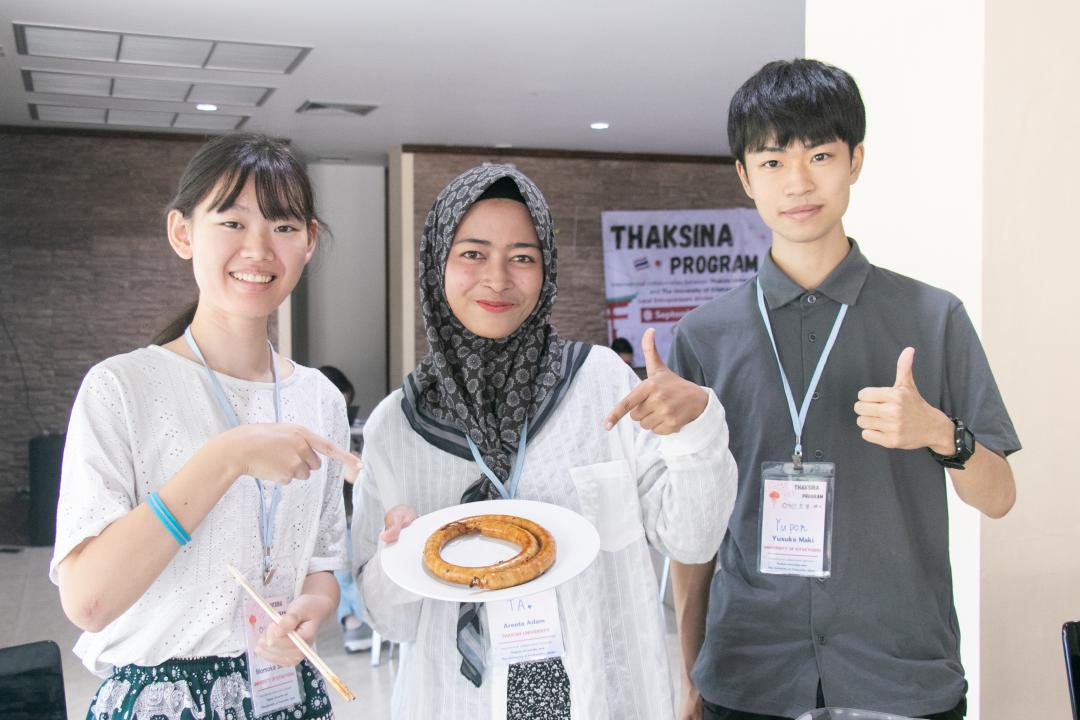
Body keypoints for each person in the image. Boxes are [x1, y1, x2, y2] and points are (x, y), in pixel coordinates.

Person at [668, 59, 1020, 720]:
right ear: (745, 177)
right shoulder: (703, 337)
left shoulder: (933, 317)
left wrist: (940, 434)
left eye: (821, 155)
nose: (798, 182)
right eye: (773, 162)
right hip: (749, 676)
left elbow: (999, 496)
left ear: (856, 160)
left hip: (900, 674)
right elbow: (695, 529)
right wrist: (689, 671)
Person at [351, 165, 738, 719]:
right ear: (437, 264)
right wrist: (402, 554)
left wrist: (695, 427)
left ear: (547, 268)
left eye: (522, 257)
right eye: (473, 254)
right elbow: (387, 621)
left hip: (602, 698)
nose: (498, 279)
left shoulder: (600, 384)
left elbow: (693, 541)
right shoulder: (398, 426)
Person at [51, 133, 361, 720]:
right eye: (232, 222)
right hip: (162, 700)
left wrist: (312, 611)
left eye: (284, 226)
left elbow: (321, 565)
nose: (259, 248)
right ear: (182, 233)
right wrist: (228, 457)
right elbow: (89, 602)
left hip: (287, 694)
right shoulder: (121, 387)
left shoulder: (319, 398)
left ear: (309, 242)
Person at [318, 364, 375, 653]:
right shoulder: (308, 432)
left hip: (348, 512)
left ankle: (358, 621)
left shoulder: (341, 434)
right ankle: (354, 622)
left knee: (352, 564)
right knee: (341, 569)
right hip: (323, 517)